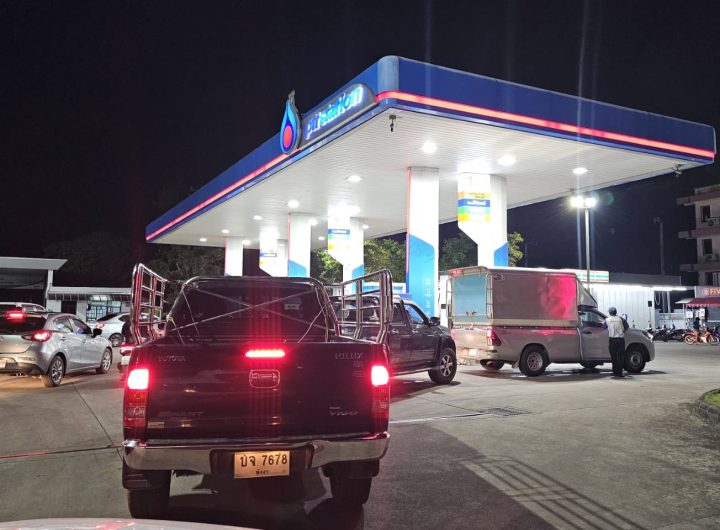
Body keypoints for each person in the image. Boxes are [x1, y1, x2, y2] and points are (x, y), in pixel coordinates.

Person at [604, 307, 629, 378]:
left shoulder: (607, 320)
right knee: (620, 357)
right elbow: (626, 327)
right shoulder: (621, 319)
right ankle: (620, 373)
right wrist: (622, 331)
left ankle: (614, 372)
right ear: (615, 312)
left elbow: (604, 327)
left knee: (613, 357)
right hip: (620, 340)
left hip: (612, 340)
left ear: (610, 313)